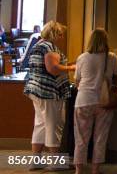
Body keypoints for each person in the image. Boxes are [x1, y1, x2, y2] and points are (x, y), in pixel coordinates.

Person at [23, 21, 74, 164]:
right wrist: (72, 67)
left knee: (40, 125)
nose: (62, 37)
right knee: (53, 125)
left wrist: (66, 66)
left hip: (37, 91)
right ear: (54, 33)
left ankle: (36, 161)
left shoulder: (38, 45)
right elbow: (53, 68)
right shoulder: (49, 46)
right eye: (60, 34)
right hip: (48, 92)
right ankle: (55, 163)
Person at [74, 29, 117, 174]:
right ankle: (95, 170)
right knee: (100, 137)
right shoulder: (111, 57)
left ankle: (79, 170)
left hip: (83, 100)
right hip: (104, 102)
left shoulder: (82, 57)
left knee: (81, 138)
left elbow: (77, 81)